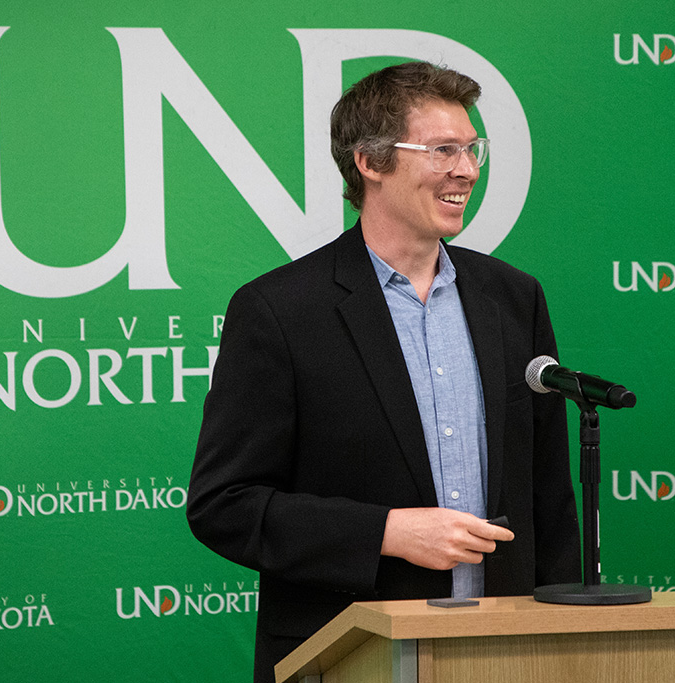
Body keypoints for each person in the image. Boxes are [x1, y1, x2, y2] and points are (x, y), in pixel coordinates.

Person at [187, 61, 581, 683]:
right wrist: (386, 532)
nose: (468, 169)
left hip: (508, 652)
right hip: (349, 655)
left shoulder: (514, 298)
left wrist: (565, 648)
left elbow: (549, 498)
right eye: (443, 150)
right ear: (369, 162)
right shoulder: (279, 311)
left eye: (473, 148)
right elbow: (224, 505)